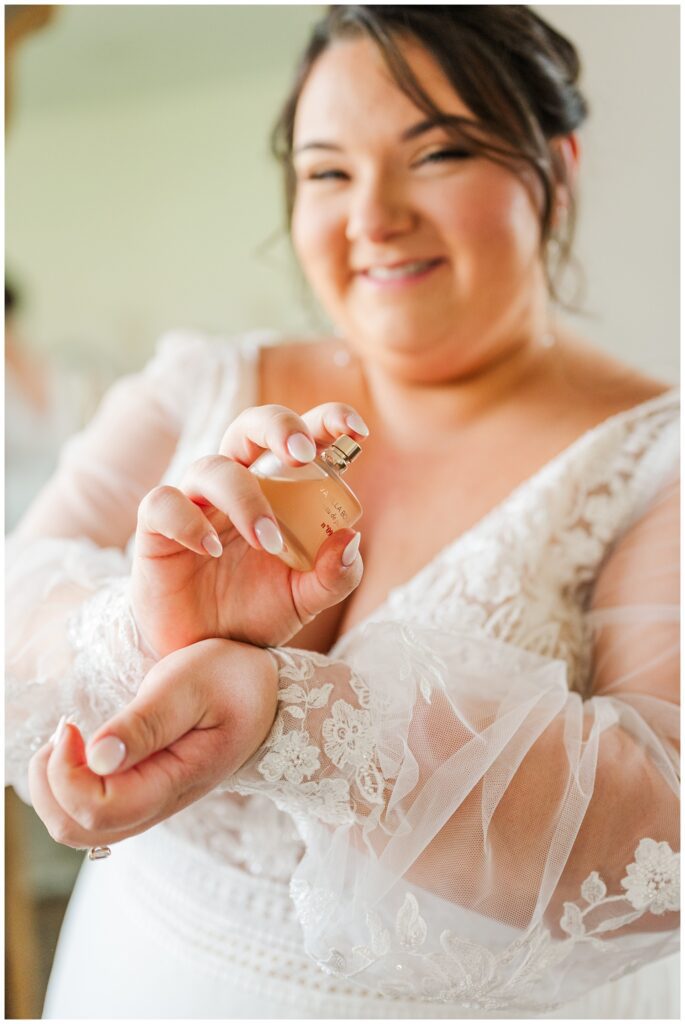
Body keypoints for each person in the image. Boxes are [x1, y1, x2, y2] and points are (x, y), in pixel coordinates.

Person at [6, 6, 679, 1019]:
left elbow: (662, 827)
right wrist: (150, 633)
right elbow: (16, 602)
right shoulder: (197, 381)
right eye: (326, 171)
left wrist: (284, 719)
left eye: (438, 152)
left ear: (559, 164)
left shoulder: (659, 457)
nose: (373, 214)